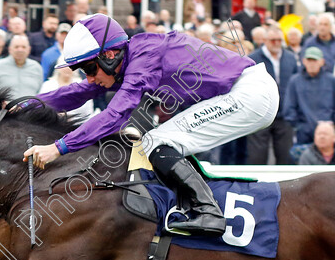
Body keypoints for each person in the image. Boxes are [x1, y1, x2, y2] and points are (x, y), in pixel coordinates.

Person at [26, 14, 278, 236]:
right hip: (247, 92)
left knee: (157, 141)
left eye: (90, 68)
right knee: (159, 141)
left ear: (110, 55)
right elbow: (80, 92)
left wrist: (58, 147)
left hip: (249, 94)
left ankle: (208, 212)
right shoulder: (133, 57)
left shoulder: (145, 57)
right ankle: (194, 207)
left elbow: (114, 114)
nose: (89, 78)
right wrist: (24, 104)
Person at [247, 26, 297, 165]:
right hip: (261, 113)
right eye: (272, 40)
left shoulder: (290, 58)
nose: (276, 43)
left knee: (285, 156)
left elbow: (295, 85)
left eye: (279, 40)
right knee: (257, 157)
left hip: (284, 114)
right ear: (264, 40)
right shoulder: (253, 59)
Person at [284, 47, 335, 145]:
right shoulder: (295, 81)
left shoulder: (331, 80)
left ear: (322, 62)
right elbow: (289, 108)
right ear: (304, 61)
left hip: (327, 132)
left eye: (315, 60)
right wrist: (301, 127)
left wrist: (331, 125)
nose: (312, 64)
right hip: (304, 134)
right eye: (309, 60)